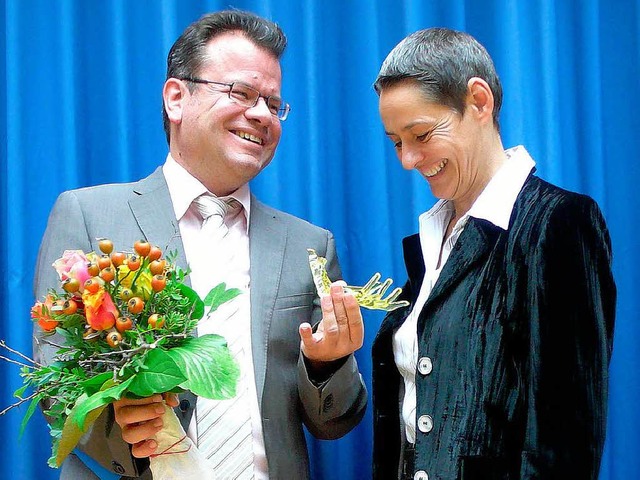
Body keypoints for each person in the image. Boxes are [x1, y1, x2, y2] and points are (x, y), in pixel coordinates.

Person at [33, 10, 367, 480]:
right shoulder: (90, 217)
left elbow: (335, 421)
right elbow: (56, 383)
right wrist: (128, 430)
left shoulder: (309, 245)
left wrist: (328, 363)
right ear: (176, 97)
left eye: (273, 103)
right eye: (242, 93)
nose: (261, 114)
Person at [371, 28, 616, 480]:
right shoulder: (432, 240)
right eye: (396, 142)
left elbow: (566, 440)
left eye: (421, 134)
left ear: (479, 102)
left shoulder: (558, 222)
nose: (407, 159)